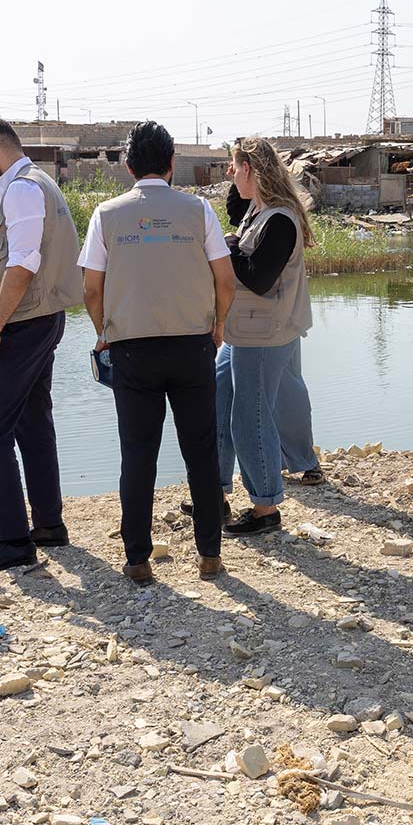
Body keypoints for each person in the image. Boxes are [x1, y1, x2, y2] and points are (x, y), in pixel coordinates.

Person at [80, 121, 237, 584]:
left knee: (138, 454)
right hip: (193, 344)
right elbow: (225, 279)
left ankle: (138, 560)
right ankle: (209, 556)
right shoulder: (199, 210)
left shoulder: (106, 214)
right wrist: (218, 323)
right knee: (201, 451)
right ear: (172, 164)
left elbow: (91, 287)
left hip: (132, 349)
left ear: (129, 167)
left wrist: (104, 331)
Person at [0, 117, 84, 572]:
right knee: (32, 421)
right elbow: (28, 257)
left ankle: (13, 542)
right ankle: (48, 525)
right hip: (44, 318)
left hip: (26, 324)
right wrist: (0, 266)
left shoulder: (22, 189)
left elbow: (27, 264)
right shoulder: (39, 183)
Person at [216, 137, 320, 538]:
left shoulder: (280, 219)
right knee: (219, 395)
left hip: (264, 333)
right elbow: (233, 207)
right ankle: (217, 490)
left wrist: (229, 248)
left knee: (251, 418)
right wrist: (239, 168)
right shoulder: (258, 211)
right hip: (246, 331)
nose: (231, 175)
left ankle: (265, 507)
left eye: (235, 168)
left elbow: (259, 278)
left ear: (252, 171)